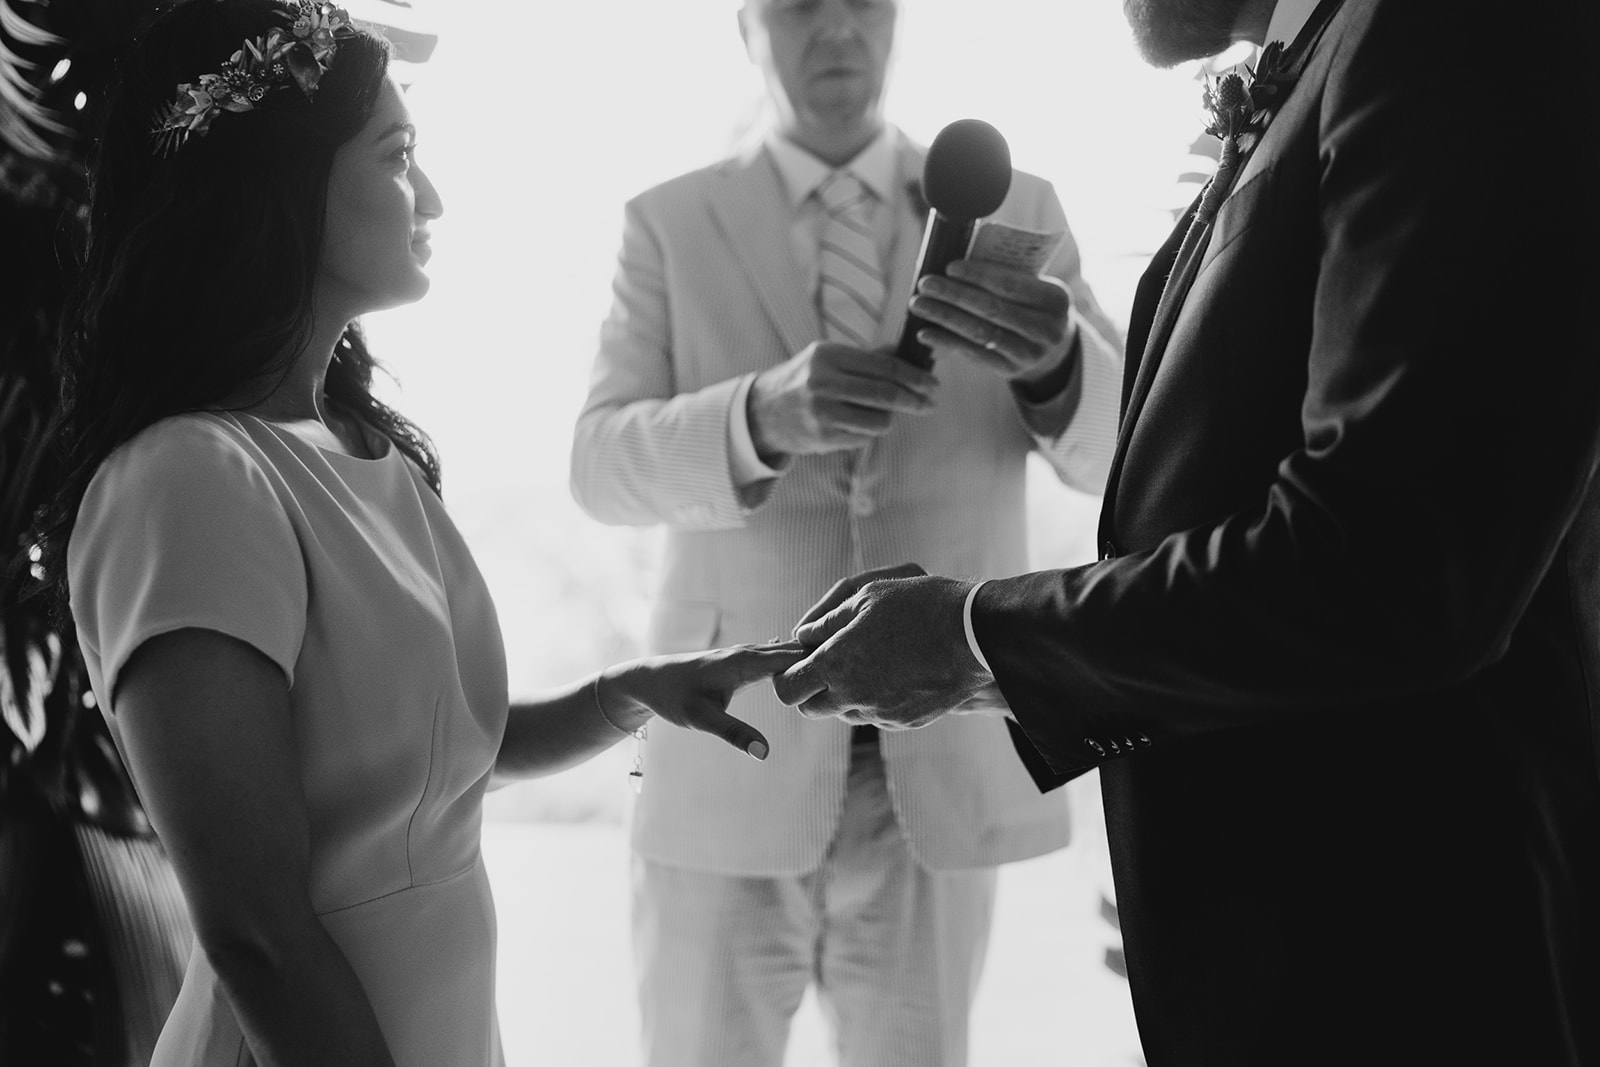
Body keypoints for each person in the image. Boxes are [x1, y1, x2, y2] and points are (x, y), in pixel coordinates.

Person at [773, 0, 1600, 1063]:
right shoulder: (1330, 52)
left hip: (1409, 952)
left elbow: (1391, 564)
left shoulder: (1457, 32)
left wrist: (973, 635)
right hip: (1292, 930)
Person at [31, 3, 804, 1065]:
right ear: (276, 186)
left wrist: (636, 691)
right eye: (398, 157)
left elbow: (427, 764)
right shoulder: (186, 480)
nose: (431, 197)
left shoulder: (358, 445)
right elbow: (255, 930)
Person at [569, 0, 1124, 1063]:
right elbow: (598, 466)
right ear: (745, 27)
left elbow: (1123, 456)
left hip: (945, 744)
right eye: (798, 7)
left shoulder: (1021, 205)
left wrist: (1057, 362)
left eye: (862, 3)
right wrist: (756, 415)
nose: (835, 32)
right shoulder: (668, 221)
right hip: (726, 749)